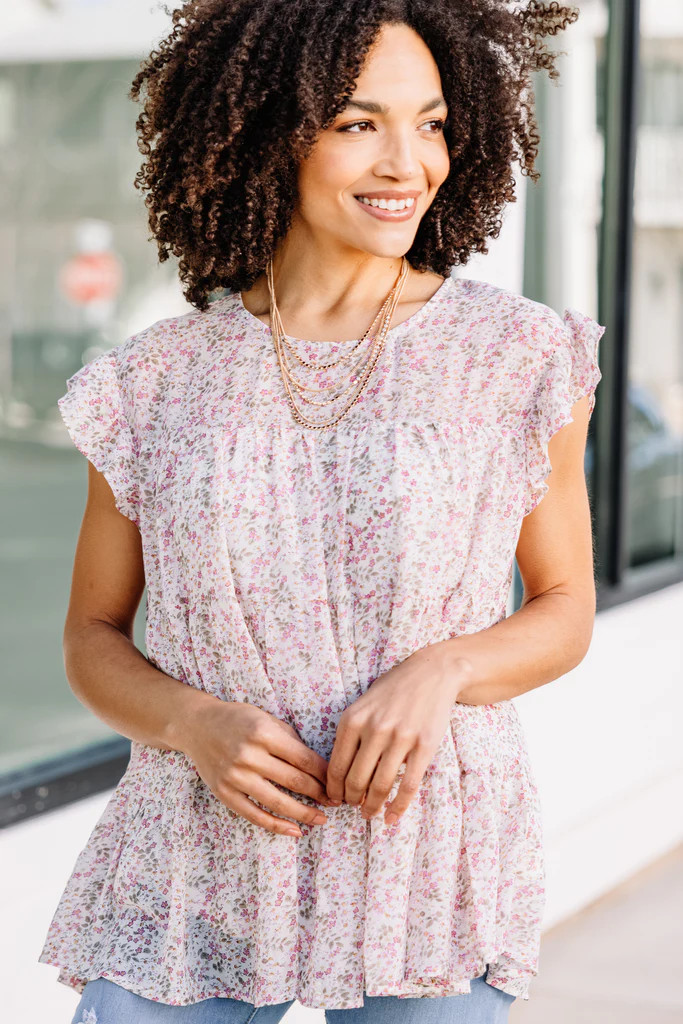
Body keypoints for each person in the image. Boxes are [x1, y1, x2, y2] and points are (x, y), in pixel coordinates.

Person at [38, 2, 602, 1022]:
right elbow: (91, 634)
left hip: (420, 865)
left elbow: (563, 604)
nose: (406, 163)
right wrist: (188, 719)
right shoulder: (153, 382)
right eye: (357, 123)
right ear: (266, 127)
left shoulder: (516, 358)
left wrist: (447, 667)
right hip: (190, 862)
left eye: (429, 123)